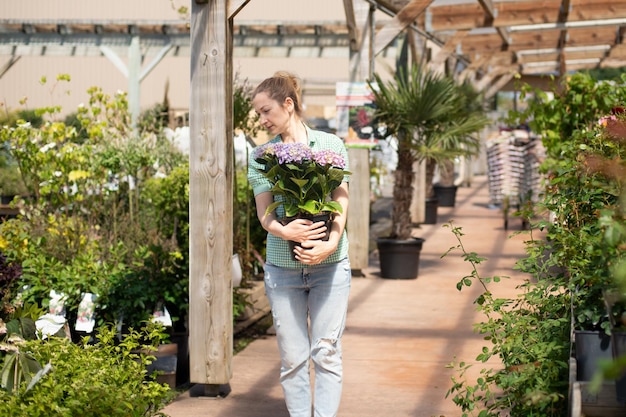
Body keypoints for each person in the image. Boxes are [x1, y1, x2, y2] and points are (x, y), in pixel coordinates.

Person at [247, 71, 351, 417]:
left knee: (327, 352)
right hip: (284, 270)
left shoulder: (330, 146)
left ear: (288, 104)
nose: (261, 120)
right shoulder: (262, 156)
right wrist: (286, 232)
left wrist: (331, 242)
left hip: (331, 267)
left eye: (266, 111)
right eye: (258, 114)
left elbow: (341, 199)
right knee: (292, 359)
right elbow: (265, 215)